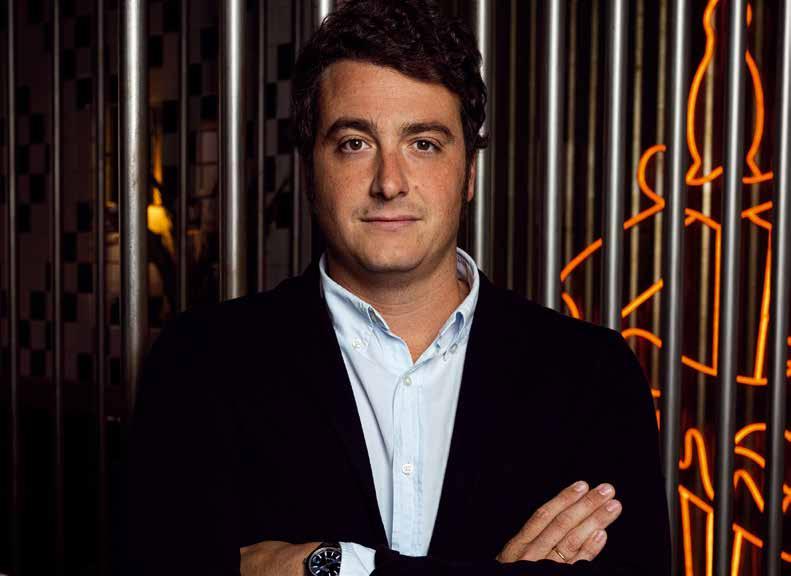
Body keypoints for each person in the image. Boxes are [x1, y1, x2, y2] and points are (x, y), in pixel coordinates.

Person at [123, 1, 670, 574]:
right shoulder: (202, 362)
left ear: (469, 173)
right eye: (354, 143)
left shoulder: (592, 374)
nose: (389, 182)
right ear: (311, 171)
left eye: (424, 143)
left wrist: (332, 565)